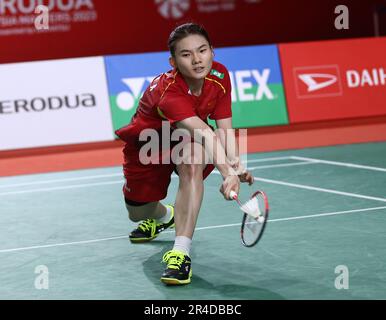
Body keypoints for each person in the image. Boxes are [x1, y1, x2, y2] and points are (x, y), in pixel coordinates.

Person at [115, 23, 254, 285]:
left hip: (188, 141)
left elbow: (223, 127)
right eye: (186, 54)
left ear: (212, 51)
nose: (197, 59)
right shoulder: (169, 91)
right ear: (174, 61)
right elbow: (204, 131)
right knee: (138, 213)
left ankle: (180, 252)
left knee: (191, 162)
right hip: (149, 143)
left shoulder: (220, 76)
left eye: (202, 50)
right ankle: (163, 216)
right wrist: (226, 173)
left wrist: (235, 165)